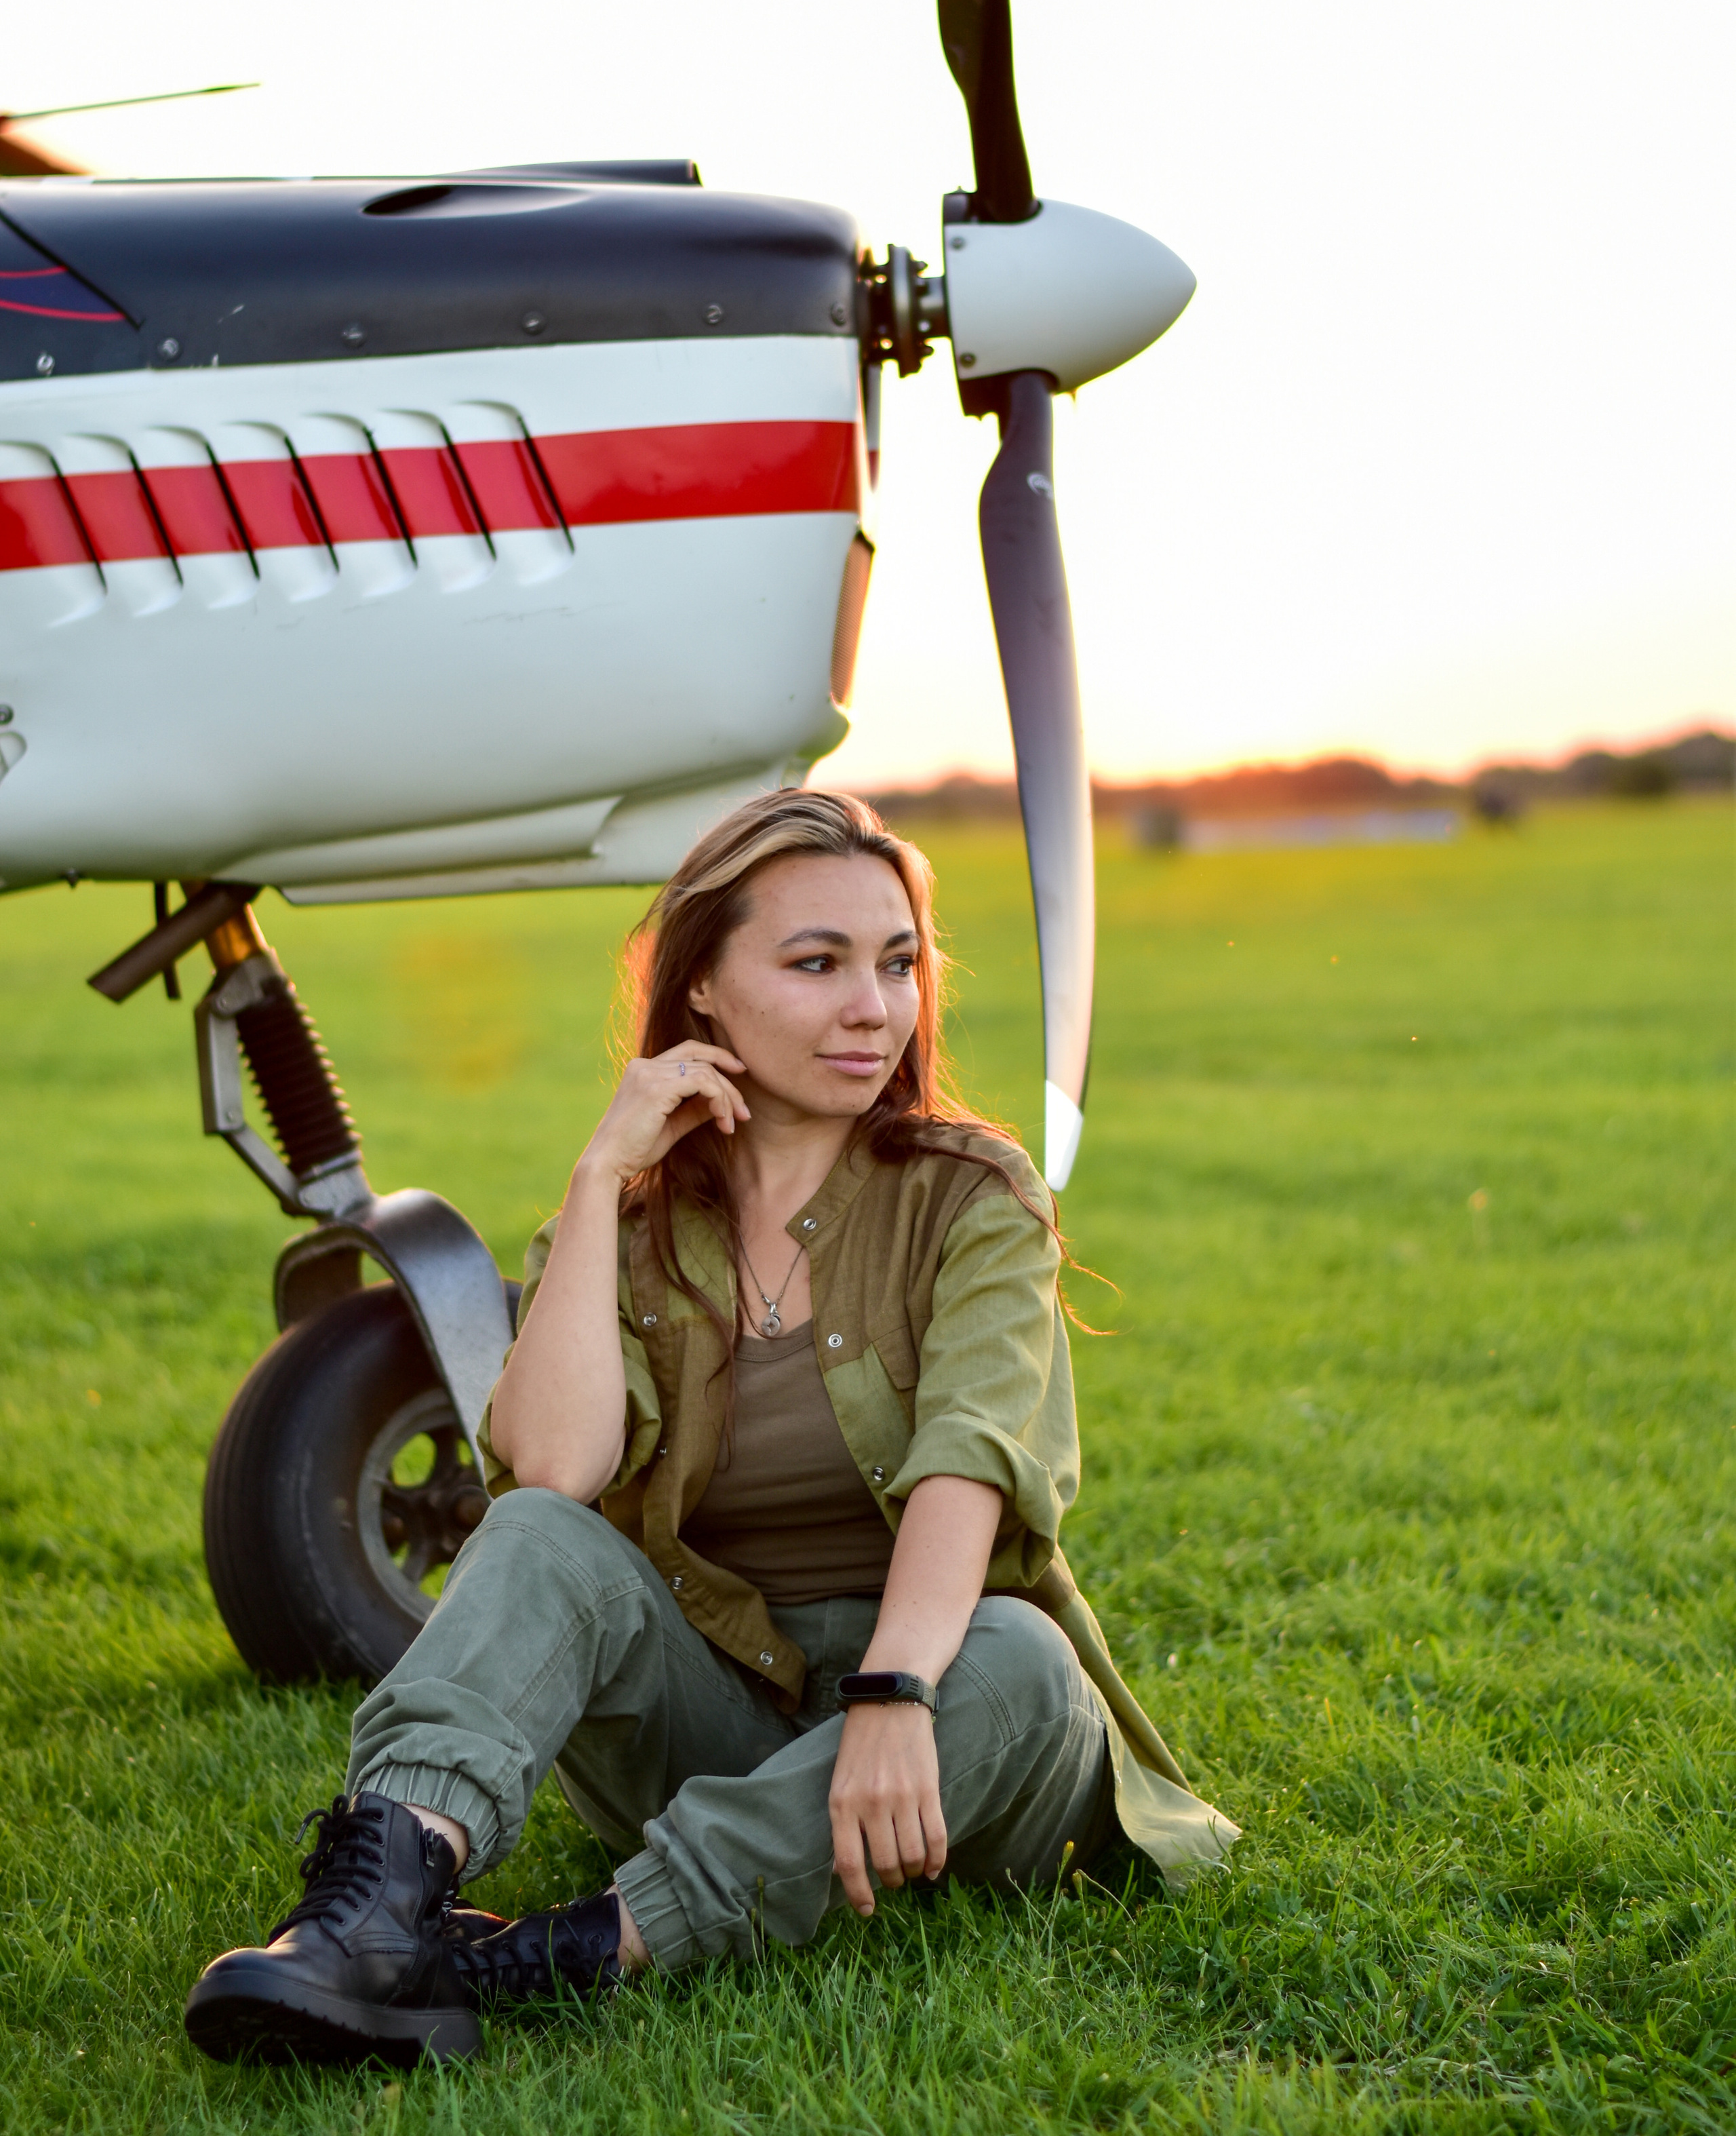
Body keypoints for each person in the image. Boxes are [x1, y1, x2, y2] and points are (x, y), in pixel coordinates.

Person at [185, 790, 1237, 2067]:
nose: (874, 1007)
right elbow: (554, 1470)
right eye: (817, 963)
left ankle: (579, 1949)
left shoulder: (973, 1196)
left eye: (899, 963)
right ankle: (369, 1915)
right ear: (703, 995)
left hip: (960, 1730)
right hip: (722, 1718)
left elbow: (973, 1460)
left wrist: (898, 1696)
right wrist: (596, 1181)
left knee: (1018, 1658)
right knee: (531, 1535)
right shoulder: (625, 1228)